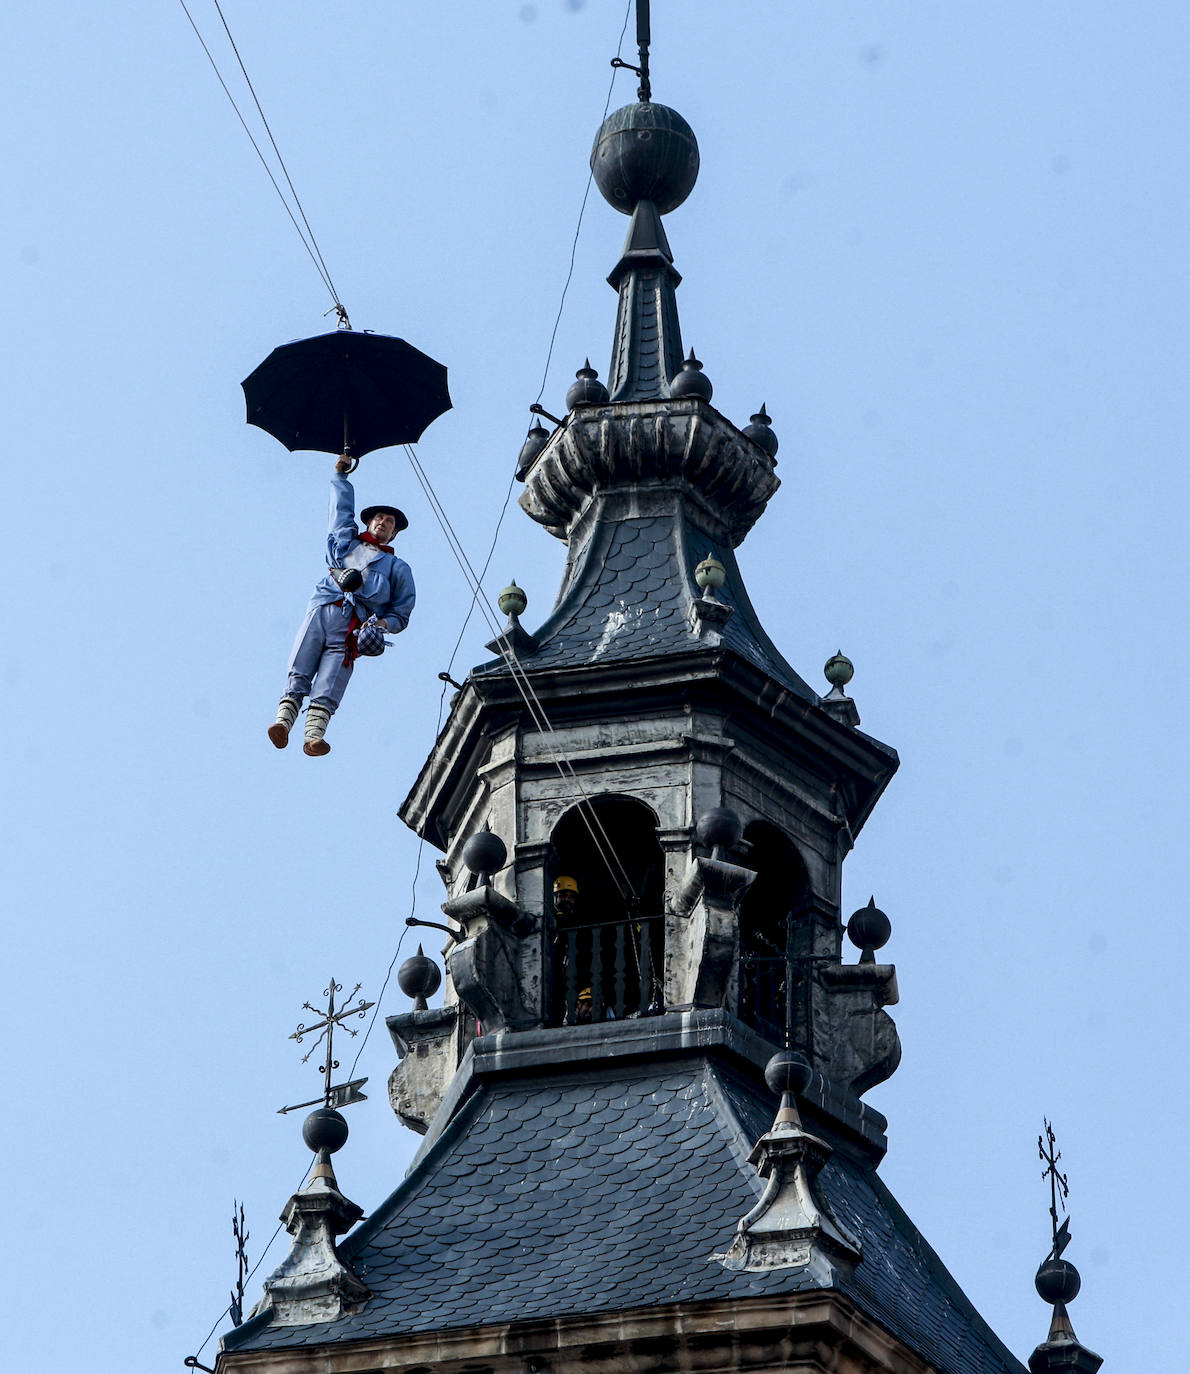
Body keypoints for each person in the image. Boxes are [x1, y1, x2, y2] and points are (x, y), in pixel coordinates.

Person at [268, 455, 415, 755]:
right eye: (380, 518)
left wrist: (379, 625)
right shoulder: (346, 543)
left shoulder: (396, 567)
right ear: (370, 521)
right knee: (301, 664)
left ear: (394, 532)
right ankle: (283, 722)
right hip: (324, 608)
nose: (383, 523)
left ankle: (314, 736)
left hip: (352, 628)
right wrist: (340, 476)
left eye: (389, 522)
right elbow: (341, 511)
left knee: (332, 677)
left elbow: (401, 612)